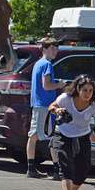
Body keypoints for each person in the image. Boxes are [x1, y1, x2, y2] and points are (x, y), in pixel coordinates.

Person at [48, 75, 95, 190]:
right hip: (62, 134)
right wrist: (57, 110)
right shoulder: (65, 99)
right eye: (84, 90)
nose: (87, 93)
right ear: (77, 89)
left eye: (90, 90)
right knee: (66, 167)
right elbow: (51, 106)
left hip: (83, 135)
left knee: (83, 169)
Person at [27, 36, 66, 179]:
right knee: (50, 137)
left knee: (37, 135)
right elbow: (46, 85)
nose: (55, 51)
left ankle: (33, 168)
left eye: (56, 48)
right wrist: (60, 85)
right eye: (52, 48)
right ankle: (57, 170)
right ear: (44, 49)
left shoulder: (38, 63)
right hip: (44, 105)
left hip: (39, 104)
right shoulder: (47, 65)